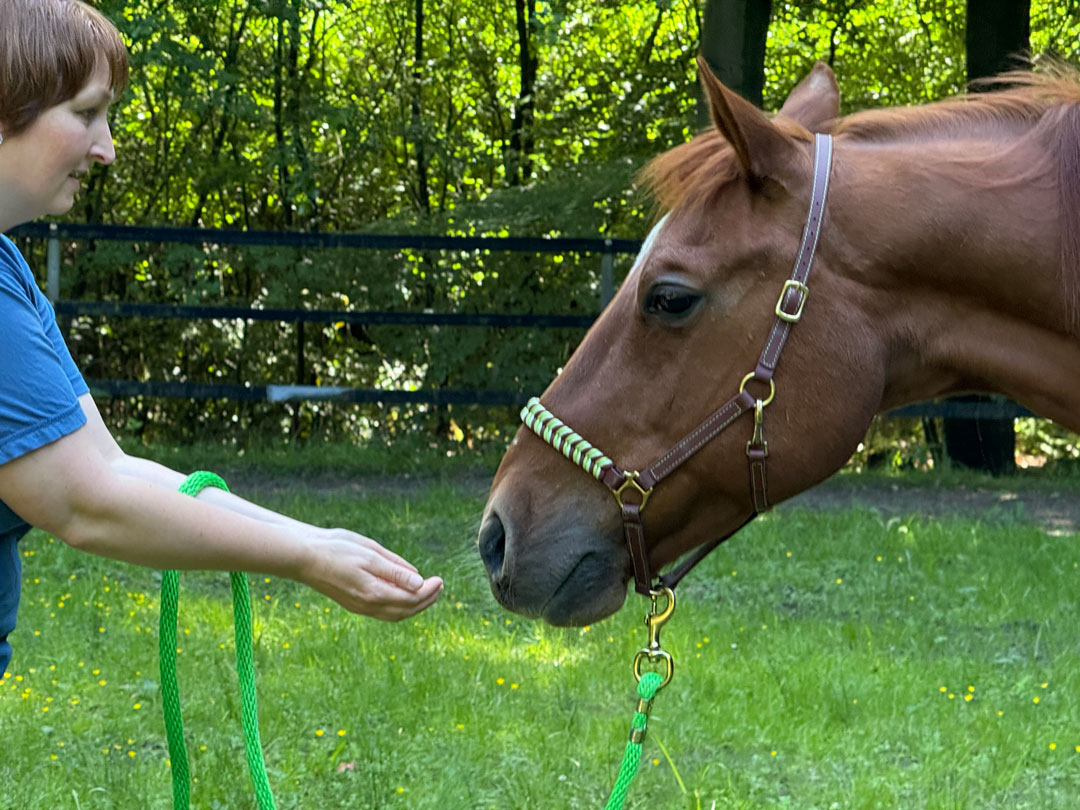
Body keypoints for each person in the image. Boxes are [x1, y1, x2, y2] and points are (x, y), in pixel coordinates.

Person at [0, 0, 443, 676]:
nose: (108, 148)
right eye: (87, 113)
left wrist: (313, 537)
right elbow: (85, 503)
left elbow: (108, 467)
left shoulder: (7, 268)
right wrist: (306, 557)